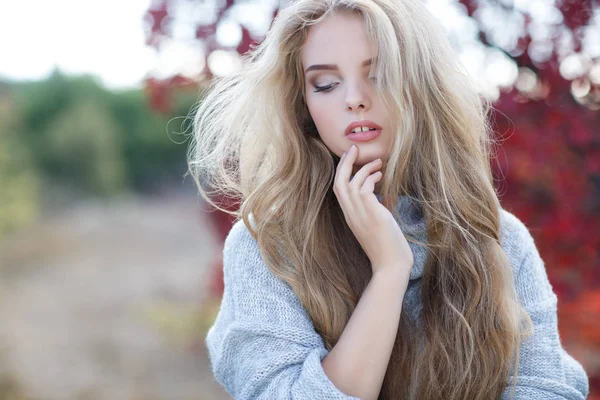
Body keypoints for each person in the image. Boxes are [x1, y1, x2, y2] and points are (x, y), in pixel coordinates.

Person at [187, 0, 590, 399]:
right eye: (325, 83)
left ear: (422, 86)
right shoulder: (266, 247)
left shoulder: (499, 238)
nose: (354, 99)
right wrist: (390, 270)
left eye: (378, 74)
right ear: (304, 106)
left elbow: (546, 389)